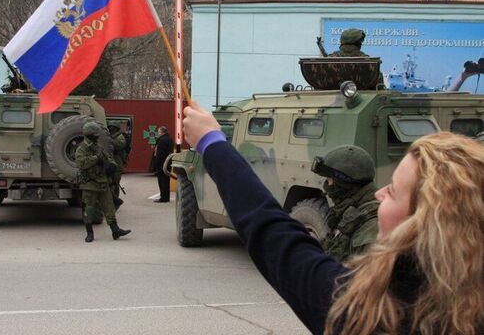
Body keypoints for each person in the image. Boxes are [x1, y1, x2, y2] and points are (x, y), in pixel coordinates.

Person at [183, 100, 484, 335]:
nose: (380, 194)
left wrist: (212, 143)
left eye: (392, 191)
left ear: (422, 221)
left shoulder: (368, 310)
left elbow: (272, 232)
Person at [311, 145, 378, 262]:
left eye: (329, 180)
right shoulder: (353, 211)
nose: (327, 186)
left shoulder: (371, 227)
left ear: (344, 184)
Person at [75, 121, 131, 243]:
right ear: (88, 134)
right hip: (90, 183)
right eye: (95, 134)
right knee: (89, 209)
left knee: (109, 207)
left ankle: (115, 230)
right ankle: (89, 233)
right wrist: (96, 159)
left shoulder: (98, 147)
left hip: (103, 182)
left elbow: (109, 159)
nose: (97, 136)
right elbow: (81, 163)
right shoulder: (82, 148)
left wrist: (111, 165)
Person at [108, 121, 129, 209]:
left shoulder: (120, 137)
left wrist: (109, 141)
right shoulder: (110, 136)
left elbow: (119, 145)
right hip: (111, 164)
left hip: (117, 165)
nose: (110, 129)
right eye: (109, 128)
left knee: (115, 184)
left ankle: (115, 203)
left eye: (112, 128)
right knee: (109, 184)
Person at [153, 126, 173, 203]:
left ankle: (163, 198)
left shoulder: (161, 140)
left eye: (159, 132)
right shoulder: (170, 139)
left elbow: (160, 154)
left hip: (162, 163)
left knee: (162, 181)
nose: (158, 133)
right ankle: (166, 197)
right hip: (168, 163)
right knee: (166, 181)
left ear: (161, 132)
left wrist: (156, 164)